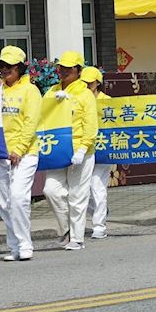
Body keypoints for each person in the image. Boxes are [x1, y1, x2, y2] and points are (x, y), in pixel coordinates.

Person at [41, 51, 98, 251]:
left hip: (80, 151)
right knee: (51, 190)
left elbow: (91, 125)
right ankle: (66, 229)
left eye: (69, 68)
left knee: (77, 195)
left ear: (78, 70)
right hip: (58, 149)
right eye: (61, 67)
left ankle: (77, 238)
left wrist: (82, 148)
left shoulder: (85, 94)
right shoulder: (52, 91)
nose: (64, 71)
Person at [0, 46, 42, 262]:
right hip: (0, 153)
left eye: (9, 66)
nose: (5, 70)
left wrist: (19, 149)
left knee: (18, 198)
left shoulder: (30, 90)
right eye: (1, 66)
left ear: (20, 67)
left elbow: (31, 122)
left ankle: (25, 244)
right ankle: (14, 246)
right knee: (3, 201)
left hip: (25, 153)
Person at [83, 67, 114, 240]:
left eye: (91, 83)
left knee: (97, 186)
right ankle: (99, 211)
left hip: (103, 149)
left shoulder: (107, 101)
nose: (87, 86)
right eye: (84, 82)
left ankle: (99, 226)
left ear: (98, 83)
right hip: (83, 149)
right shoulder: (79, 99)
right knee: (82, 189)